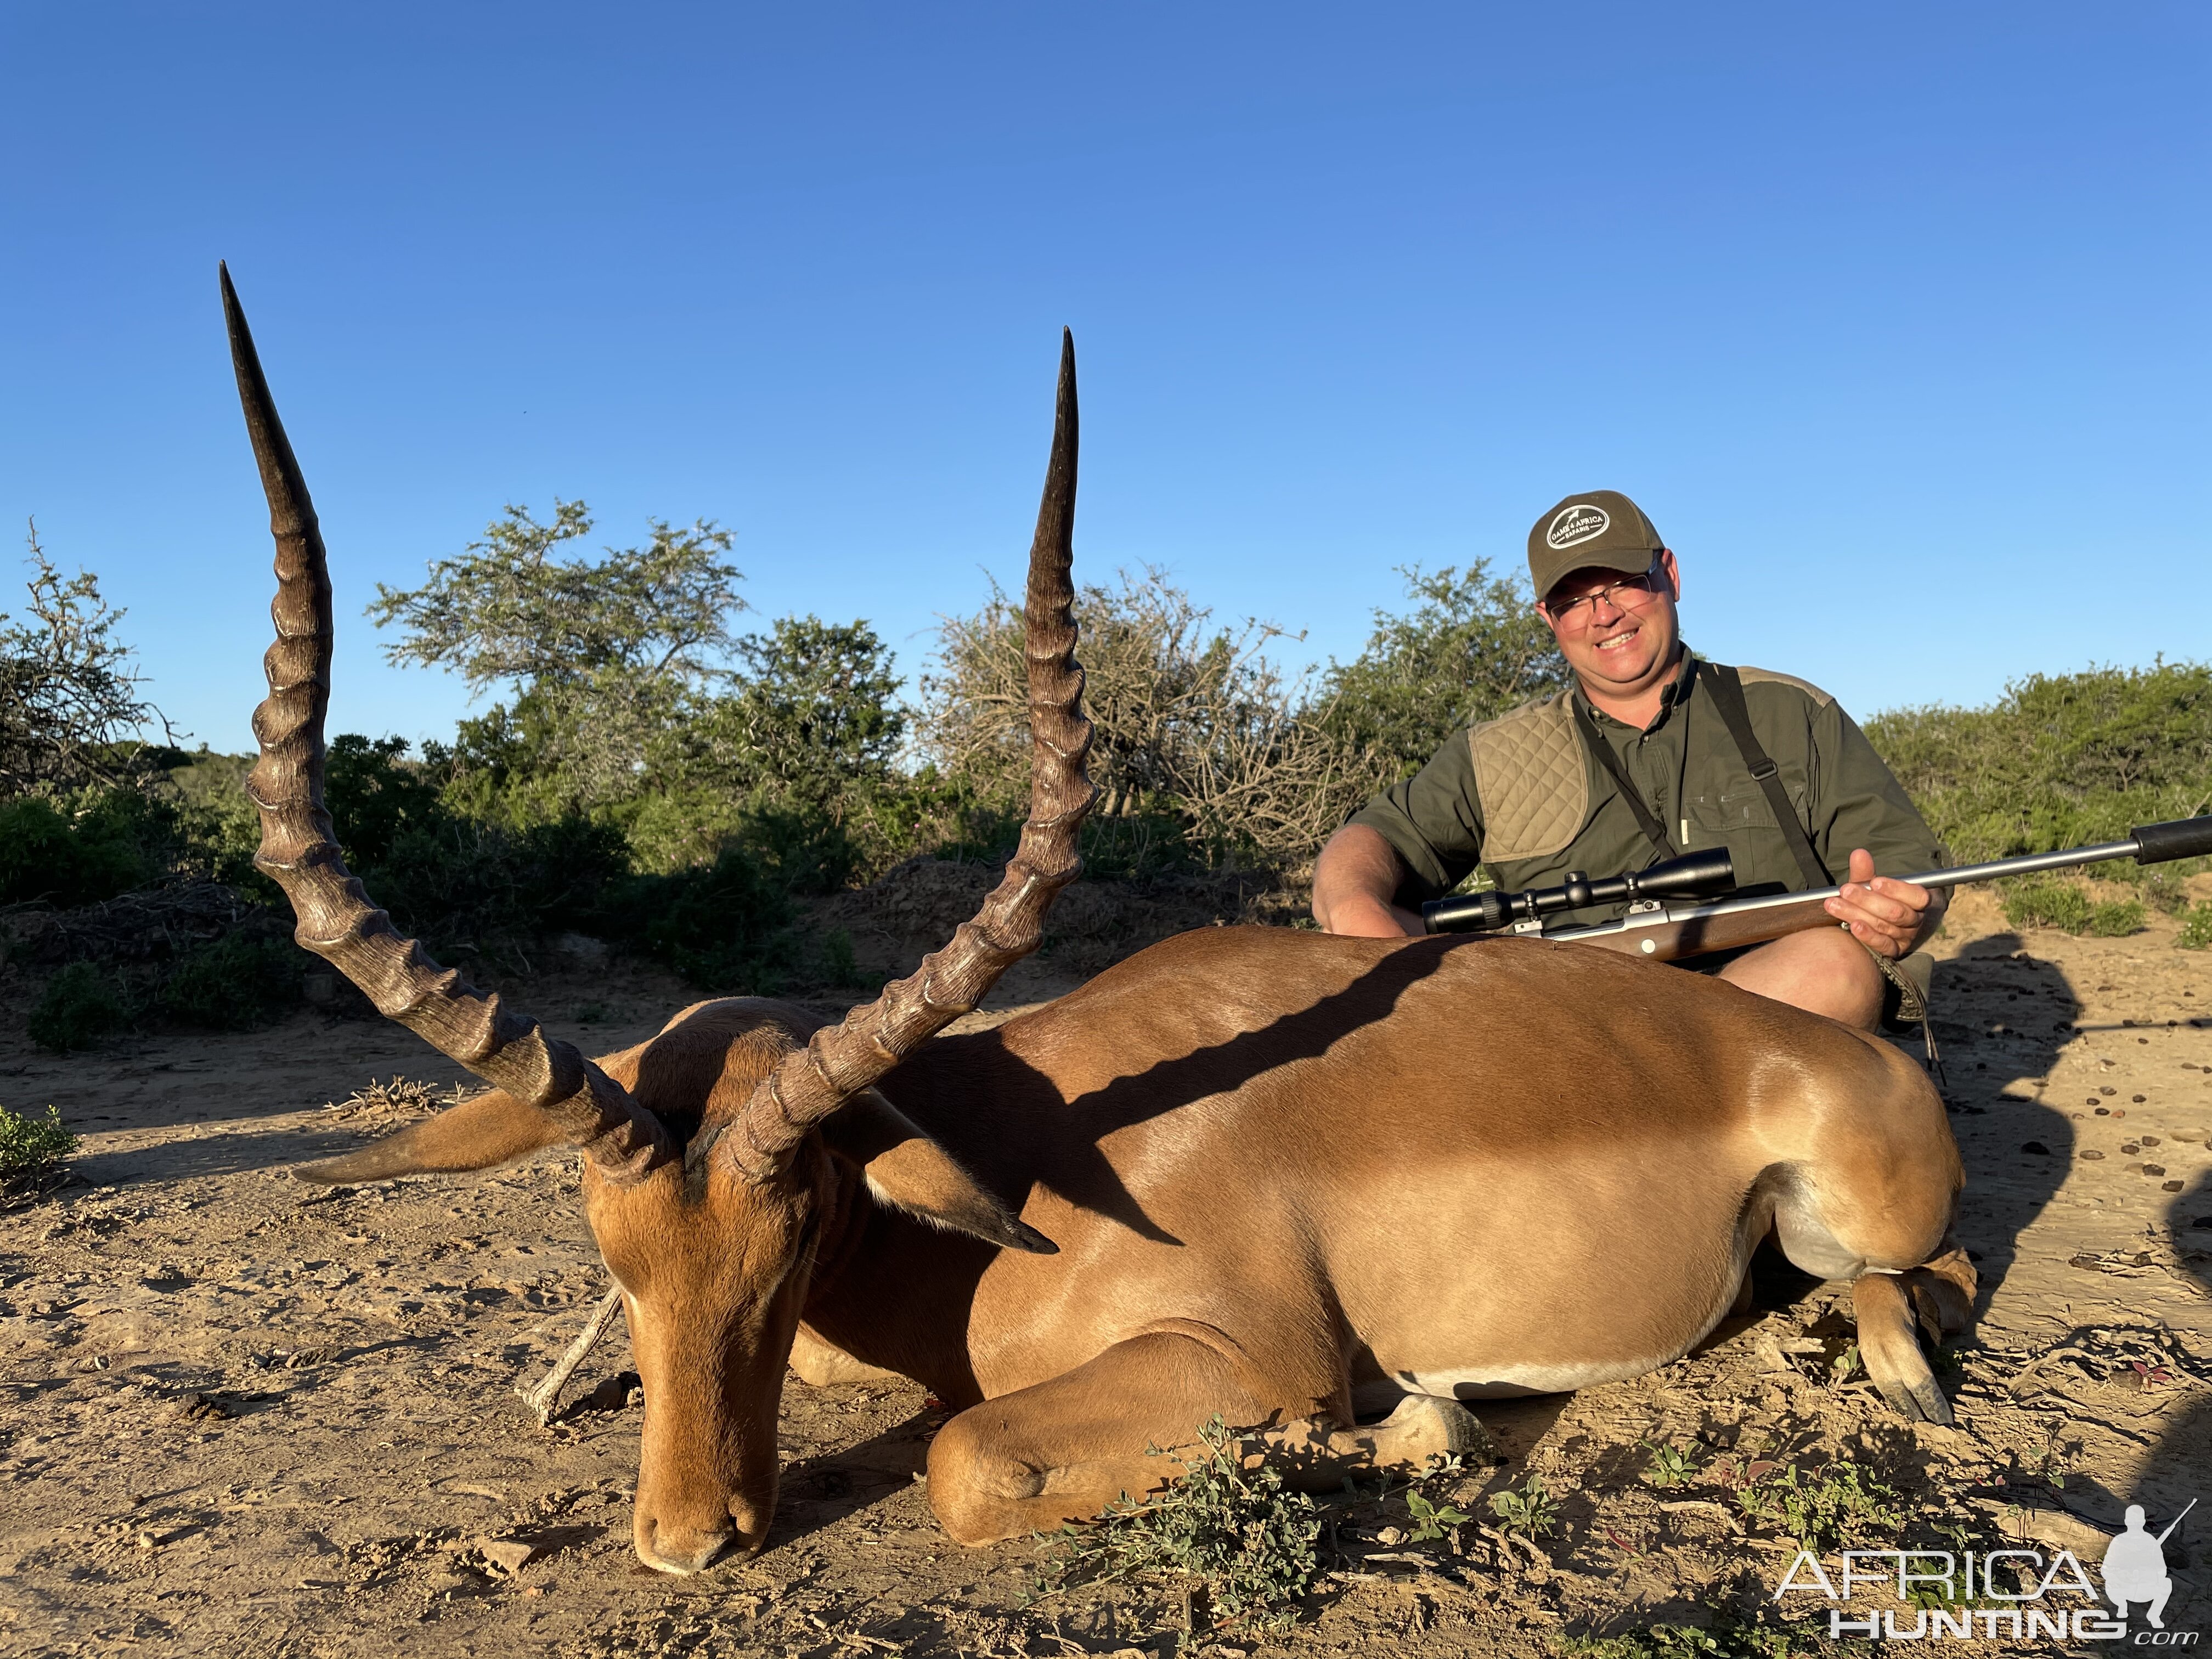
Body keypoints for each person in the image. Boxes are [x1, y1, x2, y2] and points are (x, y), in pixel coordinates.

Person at [1312, 489, 1945, 1031]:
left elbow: (1905, 869)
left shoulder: (1791, 711)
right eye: (1574, 600)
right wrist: (1353, 908)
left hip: (1758, 1025)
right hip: (1565, 1020)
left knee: (1833, 971)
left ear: (1669, 573)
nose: (1603, 615)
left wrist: (1898, 914)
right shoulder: (1495, 751)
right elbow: (1374, 838)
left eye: (1622, 584)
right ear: (1547, 618)